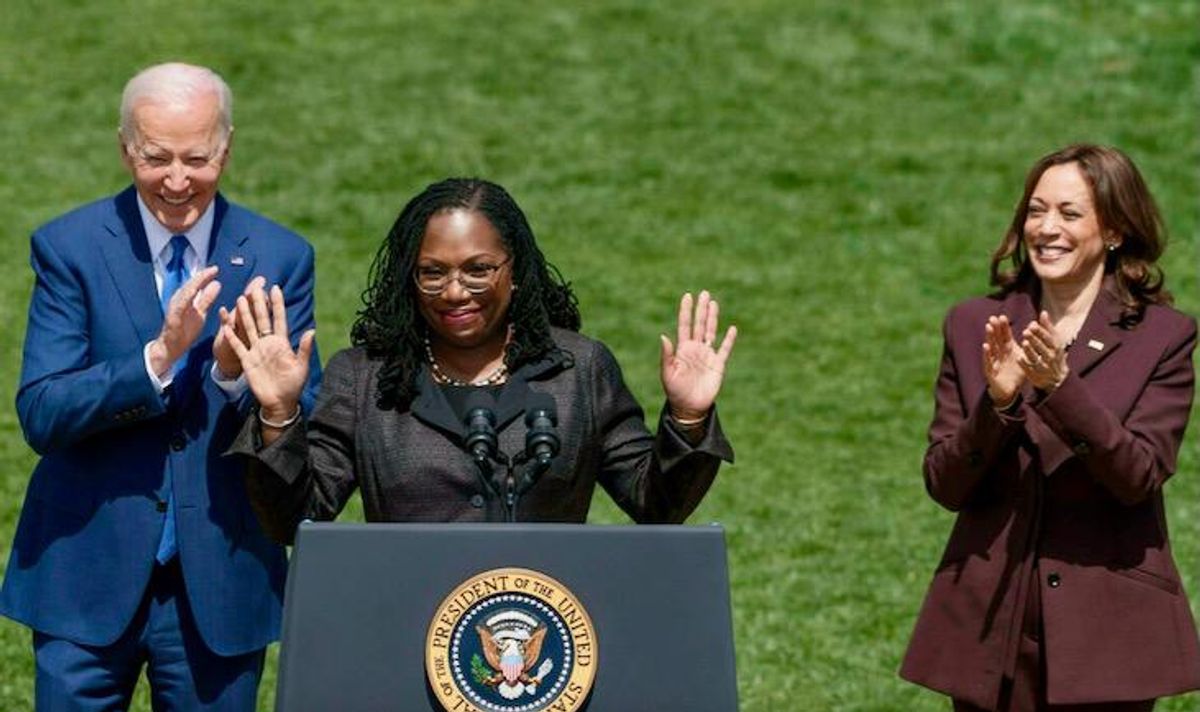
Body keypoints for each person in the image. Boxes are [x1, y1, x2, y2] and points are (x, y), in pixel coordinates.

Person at [0, 62, 322, 709]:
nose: (177, 181)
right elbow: (42, 411)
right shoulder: (70, 248)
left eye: (197, 158)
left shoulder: (279, 256)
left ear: (226, 149)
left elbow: (306, 424)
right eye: (156, 158)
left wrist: (248, 387)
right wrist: (158, 357)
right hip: (84, 575)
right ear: (126, 148)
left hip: (221, 579)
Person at [223, 177, 736, 539]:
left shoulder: (579, 370)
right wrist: (277, 417)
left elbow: (656, 504)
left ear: (514, 270)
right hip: (406, 631)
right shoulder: (364, 377)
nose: (454, 292)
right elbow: (294, 521)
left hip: (546, 641)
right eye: (432, 272)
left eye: (478, 269)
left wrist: (688, 419)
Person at [899, 144, 1200, 710]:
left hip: (1107, 636)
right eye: (1036, 211)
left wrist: (1062, 388)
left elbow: (1138, 474)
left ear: (1113, 230)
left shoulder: (1163, 336)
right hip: (992, 628)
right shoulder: (974, 325)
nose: (1046, 228)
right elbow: (944, 483)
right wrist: (1000, 402)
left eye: (1069, 213)